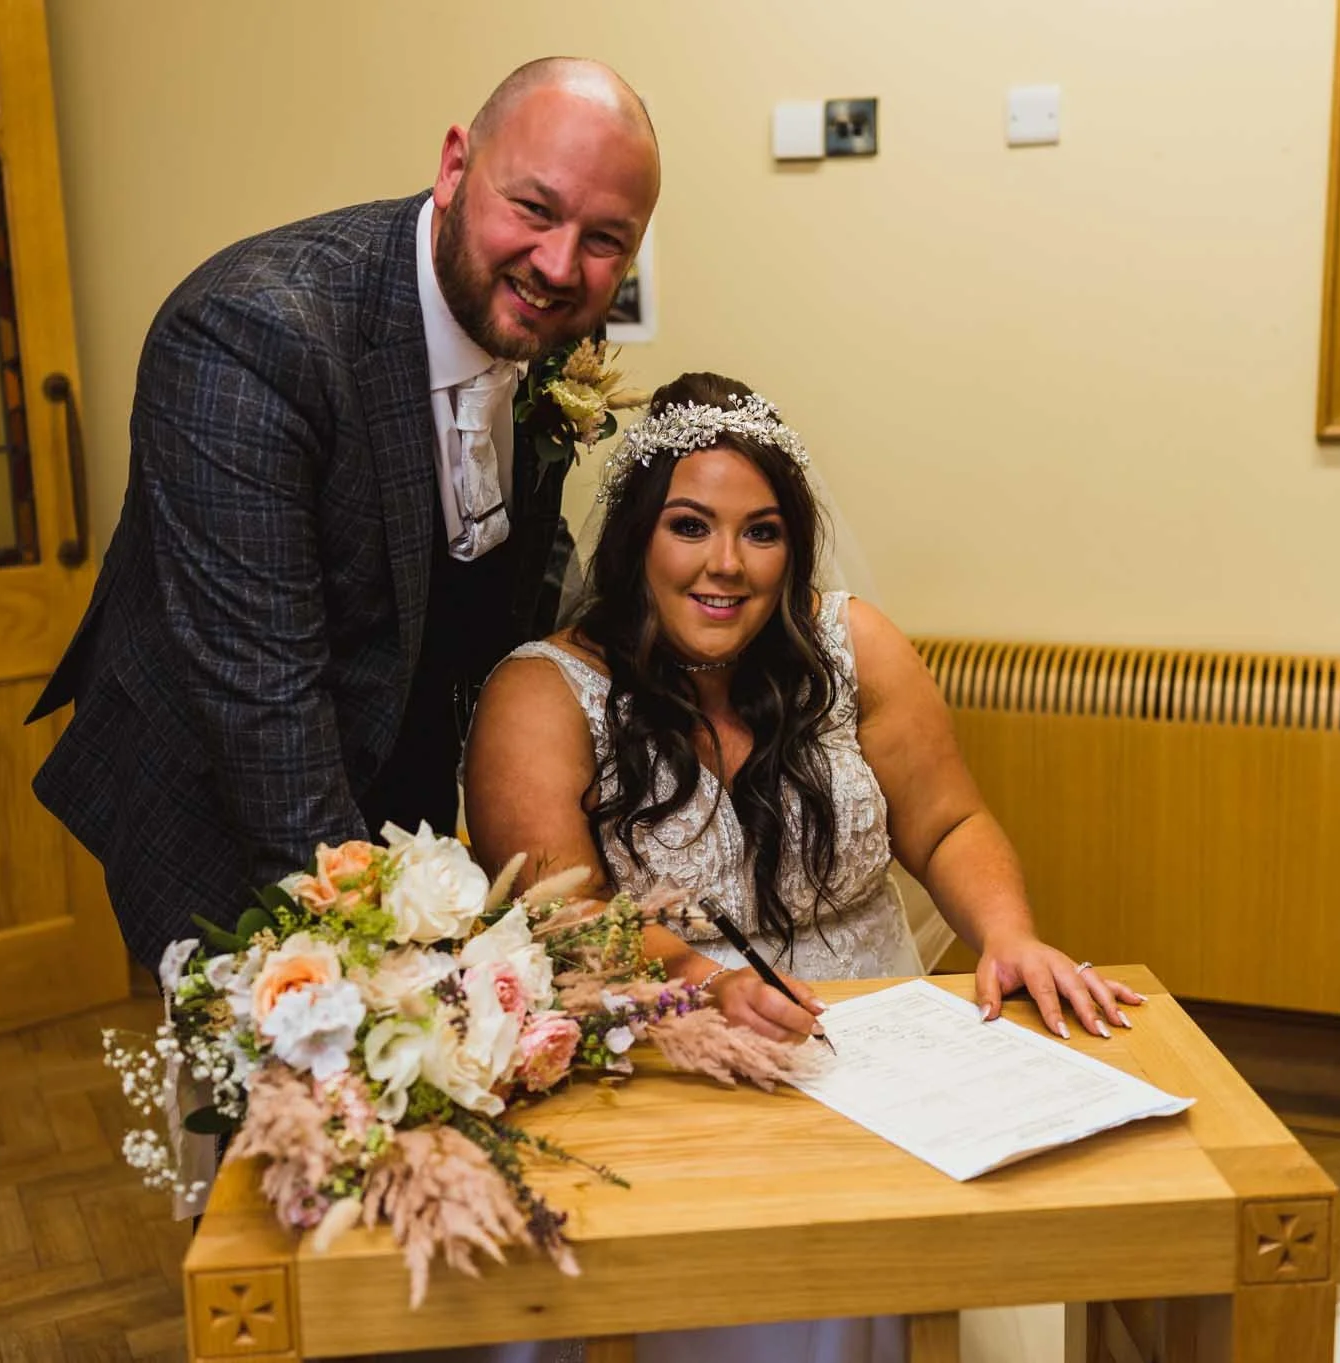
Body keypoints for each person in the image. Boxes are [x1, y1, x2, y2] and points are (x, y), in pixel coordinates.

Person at [463, 372, 1142, 1363]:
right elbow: (565, 911)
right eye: (690, 526)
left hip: (884, 1054)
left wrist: (1007, 933)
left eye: (762, 531)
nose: (726, 564)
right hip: (670, 1057)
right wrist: (703, 985)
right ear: (637, 537)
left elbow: (948, 822)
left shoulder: (852, 645)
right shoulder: (542, 693)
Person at [25, 59, 660, 971]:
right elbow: (262, 702)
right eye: (534, 207)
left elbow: (514, 551)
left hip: (402, 780)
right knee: (288, 1053)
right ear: (455, 165)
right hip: (225, 809)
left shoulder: (535, 315)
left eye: (605, 239)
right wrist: (378, 959)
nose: (560, 265)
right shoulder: (251, 337)